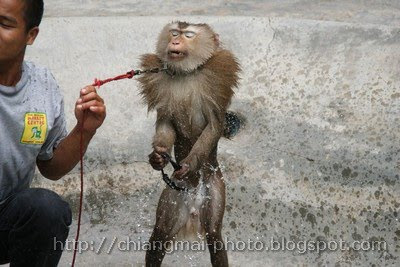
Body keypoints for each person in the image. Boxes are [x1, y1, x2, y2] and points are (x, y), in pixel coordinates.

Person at [0, 0, 106, 265]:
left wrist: (85, 130)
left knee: (46, 209)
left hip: (4, 218)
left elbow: (52, 168)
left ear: (31, 35)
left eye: (4, 24)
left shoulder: (42, 85)